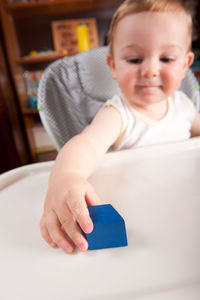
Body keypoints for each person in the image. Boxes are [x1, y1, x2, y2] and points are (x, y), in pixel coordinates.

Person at [40, 0, 200, 253]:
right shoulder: (119, 114)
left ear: (184, 65)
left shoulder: (183, 106)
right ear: (113, 65)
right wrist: (66, 177)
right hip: (136, 216)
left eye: (167, 58)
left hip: (181, 209)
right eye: (135, 59)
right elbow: (86, 145)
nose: (150, 70)